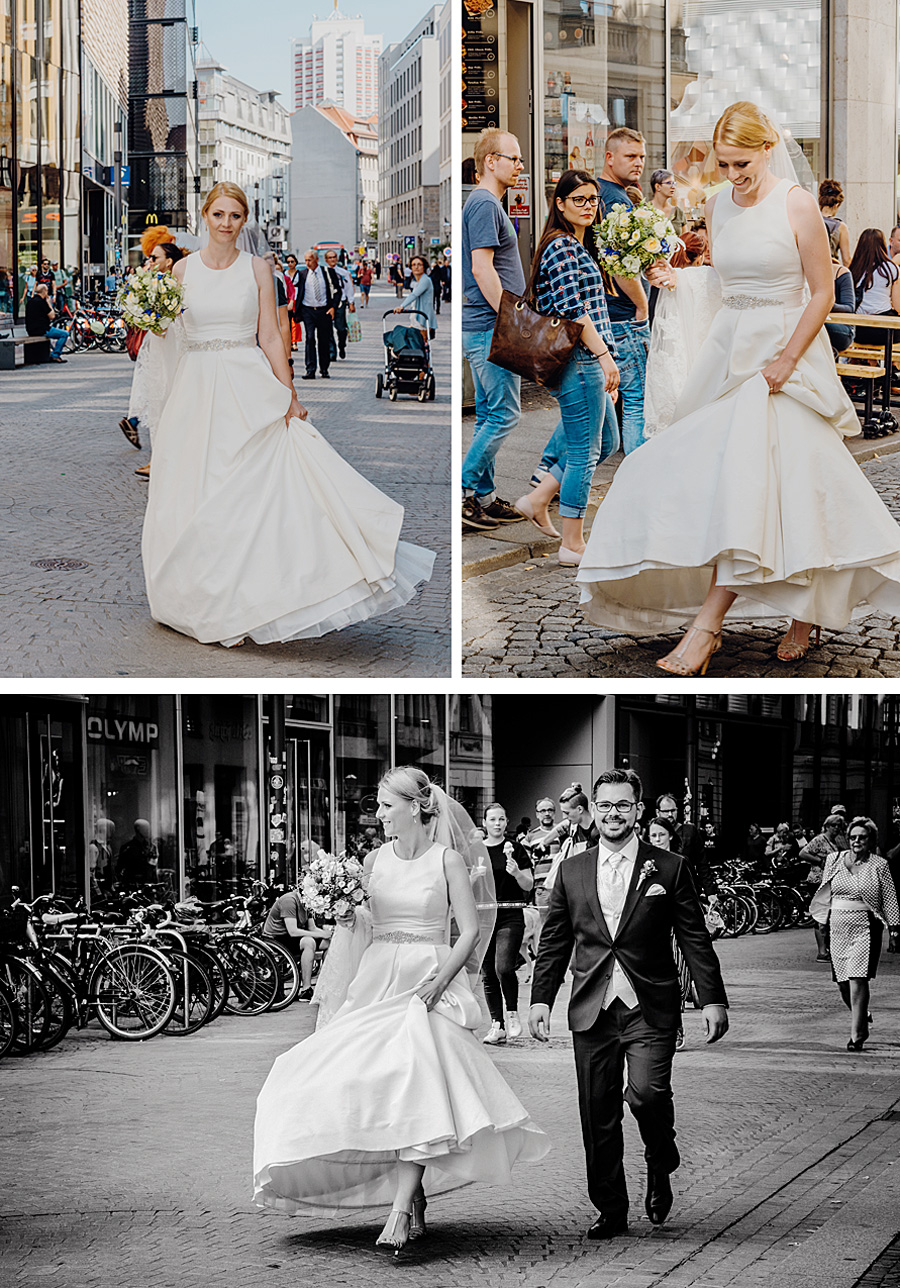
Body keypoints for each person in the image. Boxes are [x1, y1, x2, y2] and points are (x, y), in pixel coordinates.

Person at [578, 101, 900, 676]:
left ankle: (712, 628)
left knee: (765, 486)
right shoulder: (720, 204)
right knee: (756, 485)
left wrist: (786, 360)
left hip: (784, 354)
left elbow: (822, 294)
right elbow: (727, 282)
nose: (733, 174)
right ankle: (796, 608)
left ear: (768, 148)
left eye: (741, 162)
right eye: (724, 164)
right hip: (729, 352)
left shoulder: (796, 204)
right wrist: (680, 278)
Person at [253, 766, 549, 1254]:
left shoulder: (447, 860)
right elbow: (366, 926)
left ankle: (399, 1208)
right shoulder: (372, 861)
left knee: (419, 1084)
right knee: (372, 1086)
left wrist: (441, 981)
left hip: (429, 979)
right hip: (377, 979)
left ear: (415, 807)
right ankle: (411, 1200)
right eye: (378, 806)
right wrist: (348, 915)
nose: (379, 814)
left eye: (386, 806)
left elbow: (471, 931)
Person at [141, 180, 434, 648]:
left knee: (249, 486)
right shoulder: (180, 271)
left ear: (244, 221)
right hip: (194, 388)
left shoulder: (258, 269)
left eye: (235, 216)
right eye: (218, 215)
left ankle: (253, 590)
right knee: (192, 487)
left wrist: (289, 392)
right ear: (205, 216)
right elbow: (168, 333)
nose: (226, 224)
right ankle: (191, 590)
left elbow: (272, 335)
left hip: (244, 382)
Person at [529, 769, 729, 1237]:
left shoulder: (670, 866)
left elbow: (694, 937)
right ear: (593, 810)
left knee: (647, 1094)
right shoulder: (573, 869)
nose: (613, 813)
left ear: (638, 810)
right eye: (605, 805)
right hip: (591, 1008)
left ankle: (661, 1161)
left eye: (623, 805)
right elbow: (556, 940)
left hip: (648, 1005)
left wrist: (712, 998)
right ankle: (611, 1209)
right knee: (597, 1112)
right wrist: (541, 998)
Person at [510, 170, 620, 567]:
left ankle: (537, 499)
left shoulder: (577, 244)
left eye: (593, 200)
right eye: (580, 200)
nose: (589, 207)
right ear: (559, 204)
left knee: (605, 441)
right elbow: (574, 310)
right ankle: (573, 543)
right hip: (579, 359)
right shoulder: (561, 247)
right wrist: (605, 357)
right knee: (584, 451)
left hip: (590, 358)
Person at [461, 128, 528, 533]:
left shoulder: (486, 203)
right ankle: (466, 493)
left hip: (487, 326)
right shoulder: (484, 204)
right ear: (491, 161)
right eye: (514, 158)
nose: (520, 166)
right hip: (490, 327)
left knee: (489, 413)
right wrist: (510, 318)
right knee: (505, 413)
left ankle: (484, 497)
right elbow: (481, 268)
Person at [812, 817, 900, 1051]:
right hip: (838, 926)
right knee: (842, 982)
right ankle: (862, 1015)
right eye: (853, 837)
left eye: (862, 837)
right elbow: (825, 891)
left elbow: (890, 897)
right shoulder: (834, 859)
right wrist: (822, 920)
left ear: (870, 840)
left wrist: (895, 927)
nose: (856, 841)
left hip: (866, 926)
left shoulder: (879, 865)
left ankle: (857, 1034)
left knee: (857, 978)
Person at [596, 127, 651, 455]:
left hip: (603, 316)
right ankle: (637, 475)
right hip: (622, 315)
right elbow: (619, 264)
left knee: (599, 403)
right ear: (610, 157)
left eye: (641, 156)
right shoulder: (616, 200)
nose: (638, 163)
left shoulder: (595, 194)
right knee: (635, 400)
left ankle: (548, 473)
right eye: (630, 156)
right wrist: (642, 305)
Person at [121, 240, 186, 473]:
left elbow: (181, 315)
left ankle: (171, 458)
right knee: (156, 398)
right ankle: (157, 457)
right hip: (157, 345)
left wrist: (160, 320)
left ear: (169, 261)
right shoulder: (149, 283)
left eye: (154, 258)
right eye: (149, 258)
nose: (149, 262)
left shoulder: (177, 283)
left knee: (170, 398)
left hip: (173, 345)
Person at [480, 801, 534, 1045]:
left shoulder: (516, 849)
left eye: (501, 819)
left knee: (504, 966)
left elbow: (529, 884)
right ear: (484, 823)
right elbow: (465, 886)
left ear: (506, 822)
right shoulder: (476, 852)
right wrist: (472, 878)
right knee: (488, 972)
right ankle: (497, 1024)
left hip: (510, 915)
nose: (497, 824)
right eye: (492, 819)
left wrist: (516, 873)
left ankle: (512, 1012)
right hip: (484, 916)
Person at [262, 884, 333, 1000]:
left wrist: (328, 935)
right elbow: (293, 931)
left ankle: (325, 984)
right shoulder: (289, 901)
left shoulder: (308, 904)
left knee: (328, 943)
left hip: (291, 937)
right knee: (308, 942)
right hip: (277, 938)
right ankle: (306, 989)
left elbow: (312, 928)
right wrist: (320, 934)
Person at [801, 813, 849, 960]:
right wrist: (819, 860)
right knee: (821, 916)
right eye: (834, 825)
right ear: (827, 826)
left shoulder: (835, 842)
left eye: (839, 826)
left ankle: (828, 948)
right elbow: (803, 853)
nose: (837, 828)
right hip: (818, 881)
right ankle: (822, 951)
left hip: (830, 883)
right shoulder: (820, 839)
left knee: (830, 916)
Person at [296, 248, 340, 379]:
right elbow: (297, 291)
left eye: (309, 260)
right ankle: (310, 369)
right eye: (305, 260)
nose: (307, 263)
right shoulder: (303, 274)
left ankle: (324, 369)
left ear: (316, 260)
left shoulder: (328, 272)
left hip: (323, 310)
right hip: (308, 310)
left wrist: (333, 307)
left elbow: (337, 291)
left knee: (324, 340)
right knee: (309, 338)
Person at [392, 254, 436, 335]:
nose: (416, 267)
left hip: (423, 317)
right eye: (414, 265)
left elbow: (414, 294)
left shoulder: (425, 280)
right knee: (415, 343)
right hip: (417, 315)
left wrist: (402, 306)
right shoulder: (417, 281)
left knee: (421, 343)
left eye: (419, 264)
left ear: (424, 267)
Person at [25, 282, 69, 362]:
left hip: (31, 330)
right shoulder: (42, 302)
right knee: (64, 334)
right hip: (42, 330)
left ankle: (51, 354)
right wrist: (49, 303)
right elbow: (52, 316)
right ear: (45, 291)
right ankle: (55, 355)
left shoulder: (30, 302)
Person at [324, 248, 356, 359]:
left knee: (341, 328)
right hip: (327, 303)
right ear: (326, 260)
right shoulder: (324, 272)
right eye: (330, 258)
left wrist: (351, 302)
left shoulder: (343, 273)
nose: (332, 259)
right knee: (328, 328)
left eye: (334, 257)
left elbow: (348, 288)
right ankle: (332, 352)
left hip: (340, 302)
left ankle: (342, 345)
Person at [116, 819, 158, 889]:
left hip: (149, 884)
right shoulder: (128, 848)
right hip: (133, 885)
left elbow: (153, 867)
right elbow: (120, 867)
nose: (148, 830)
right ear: (138, 829)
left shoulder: (151, 847)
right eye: (145, 828)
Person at [818, 179, 851, 266]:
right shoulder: (840, 227)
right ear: (836, 204)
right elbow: (846, 260)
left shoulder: (810, 221)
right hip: (831, 271)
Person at [284, 254, 303, 350]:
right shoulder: (284, 274)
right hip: (287, 299)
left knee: (295, 322)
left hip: (297, 300)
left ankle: (295, 341)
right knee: (286, 322)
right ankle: (289, 341)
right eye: (288, 262)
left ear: (295, 262)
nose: (290, 264)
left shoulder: (300, 274)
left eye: (292, 261)